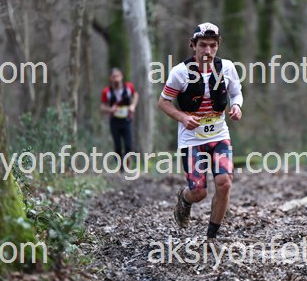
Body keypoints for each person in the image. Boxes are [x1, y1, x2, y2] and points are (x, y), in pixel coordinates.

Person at [158, 22, 243, 242]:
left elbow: (236, 93)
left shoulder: (227, 68)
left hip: (219, 135)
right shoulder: (180, 72)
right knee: (199, 192)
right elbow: (163, 102)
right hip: (191, 139)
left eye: (213, 45)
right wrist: (183, 117)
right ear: (193, 45)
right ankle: (185, 198)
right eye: (203, 45)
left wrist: (236, 106)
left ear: (218, 45)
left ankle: (211, 238)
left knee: (224, 183)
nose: (208, 50)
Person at [101, 68, 139, 167]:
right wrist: (110, 109)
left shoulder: (129, 87)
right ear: (110, 78)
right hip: (114, 121)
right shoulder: (107, 91)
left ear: (121, 76)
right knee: (117, 146)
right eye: (114, 77)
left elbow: (135, 95)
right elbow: (102, 107)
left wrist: (133, 106)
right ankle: (120, 165)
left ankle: (127, 163)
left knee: (128, 145)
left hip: (127, 120)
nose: (116, 79)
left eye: (118, 76)